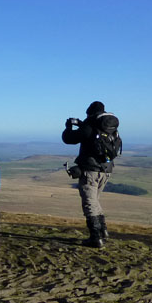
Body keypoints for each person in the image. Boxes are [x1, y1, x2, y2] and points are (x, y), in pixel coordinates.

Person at [61, 100, 121, 248]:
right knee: (95, 200)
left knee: (89, 203)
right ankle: (103, 231)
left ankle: (95, 238)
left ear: (90, 113)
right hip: (106, 170)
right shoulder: (110, 128)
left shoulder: (90, 125)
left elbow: (69, 139)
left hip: (90, 171)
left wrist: (68, 127)